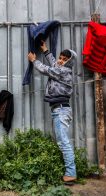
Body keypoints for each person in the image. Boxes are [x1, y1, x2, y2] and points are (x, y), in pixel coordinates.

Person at [27, 41, 77, 183]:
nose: (61, 61)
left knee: (63, 142)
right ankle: (71, 172)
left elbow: (46, 70)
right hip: (59, 109)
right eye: (60, 57)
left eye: (64, 59)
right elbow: (54, 64)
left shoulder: (63, 71)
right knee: (62, 141)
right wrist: (46, 50)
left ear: (70, 62)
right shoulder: (61, 68)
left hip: (61, 110)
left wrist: (34, 60)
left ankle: (71, 173)